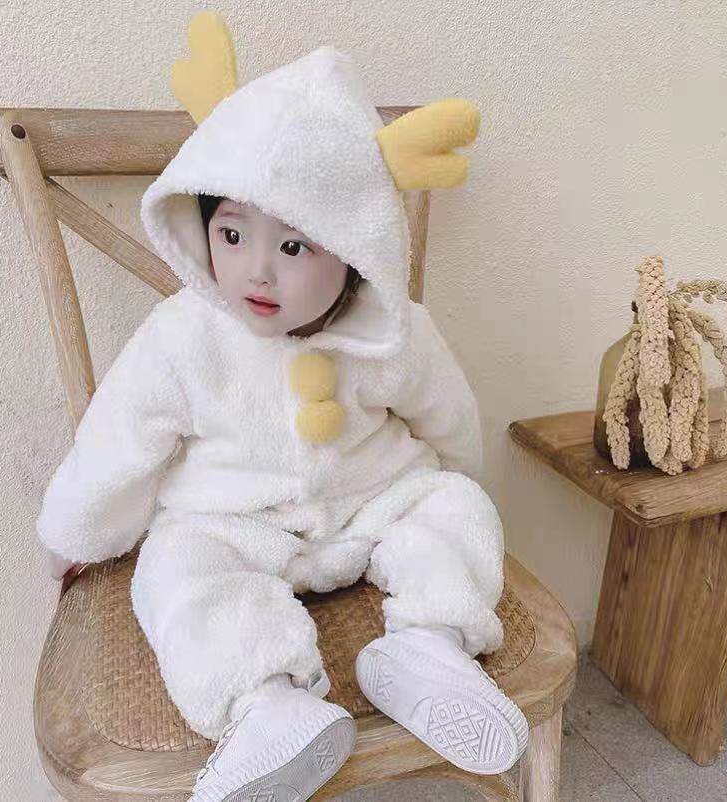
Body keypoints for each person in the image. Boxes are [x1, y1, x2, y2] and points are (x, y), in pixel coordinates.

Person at [36, 19, 528, 802]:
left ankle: (428, 646)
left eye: (294, 247)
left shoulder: (396, 332)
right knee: (175, 568)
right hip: (236, 524)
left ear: (356, 250)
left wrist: (456, 492)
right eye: (232, 234)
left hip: (372, 505)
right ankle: (265, 701)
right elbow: (117, 445)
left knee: (454, 504)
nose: (257, 271)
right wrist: (74, 535)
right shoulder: (183, 336)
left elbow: (451, 419)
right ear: (202, 226)